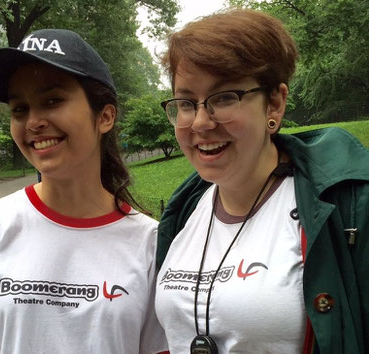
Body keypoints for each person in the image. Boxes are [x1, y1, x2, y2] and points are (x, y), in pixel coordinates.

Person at [154, 9, 369, 354]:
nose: (200, 122)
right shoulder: (183, 212)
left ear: (274, 103)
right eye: (186, 102)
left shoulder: (346, 205)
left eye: (223, 97)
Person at [0, 29, 167, 354]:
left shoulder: (150, 244)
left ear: (104, 116)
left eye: (52, 101)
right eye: (19, 109)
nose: (33, 122)